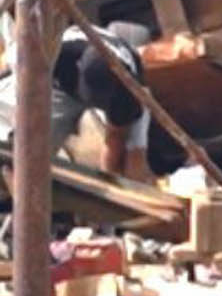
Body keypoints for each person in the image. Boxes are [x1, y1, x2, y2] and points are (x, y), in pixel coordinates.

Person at [0, 19, 158, 179]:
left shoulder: (126, 92)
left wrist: (110, 181)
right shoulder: (54, 55)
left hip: (118, 80)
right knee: (32, 152)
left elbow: (114, 141)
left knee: (135, 162)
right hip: (62, 85)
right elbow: (12, 61)